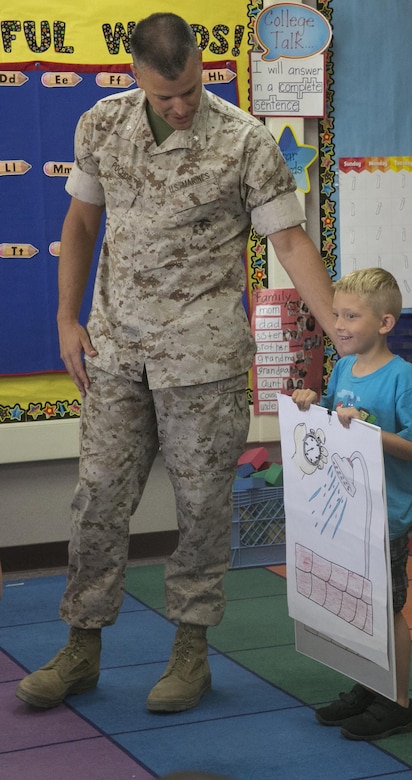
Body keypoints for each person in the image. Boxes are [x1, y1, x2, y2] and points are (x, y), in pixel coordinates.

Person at [16, 13, 338, 713]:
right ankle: (81, 648)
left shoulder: (245, 140)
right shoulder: (101, 124)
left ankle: (190, 651)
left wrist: (342, 331)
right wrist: (67, 320)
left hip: (204, 357)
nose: (181, 106)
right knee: (98, 500)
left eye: (189, 89)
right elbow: (79, 223)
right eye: (166, 97)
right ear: (135, 73)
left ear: (199, 65)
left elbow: (288, 241)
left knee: (200, 509)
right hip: (116, 352)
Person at [292, 267, 412, 741]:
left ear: (384, 324)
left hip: (386, 517)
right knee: (356, 607)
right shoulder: (343, 368)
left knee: (387, 611)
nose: (341, 325)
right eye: (337, 315)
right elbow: (332, 422)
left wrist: (370, 431)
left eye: (352, 316)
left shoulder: (404, 379)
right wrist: (313, 402)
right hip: (349, 514)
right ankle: (370, 686)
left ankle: (399, 703)